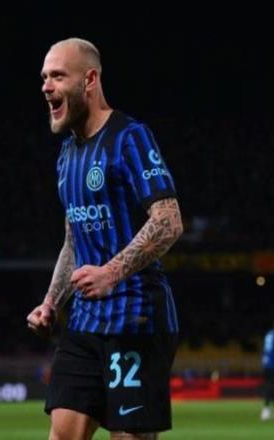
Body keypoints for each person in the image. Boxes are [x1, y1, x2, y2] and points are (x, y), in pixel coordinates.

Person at [27, 38, 183, 440]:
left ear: (90, 80)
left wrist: (110, 273)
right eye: (44, 77)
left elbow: (168, 221)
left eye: (57, 76)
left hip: (136, 317)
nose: (46, 86)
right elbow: (73, 240)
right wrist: (51, 303)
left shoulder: (130, 137)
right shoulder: (67, 154)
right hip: (84, 321)